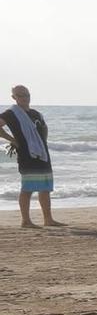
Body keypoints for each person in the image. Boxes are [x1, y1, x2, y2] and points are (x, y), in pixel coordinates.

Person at [2, 85, 62, 228]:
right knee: (28, 188)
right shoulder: (11, 114)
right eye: (20, 95)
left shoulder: (36, 113)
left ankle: (48, 220)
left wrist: (43, 144)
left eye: (26, 95)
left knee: (45, 188)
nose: (24, 98)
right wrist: (12, 140)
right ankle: (26, 221)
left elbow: (44, 128)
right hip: (26, 155)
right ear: (14, 97)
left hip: (42, 153)